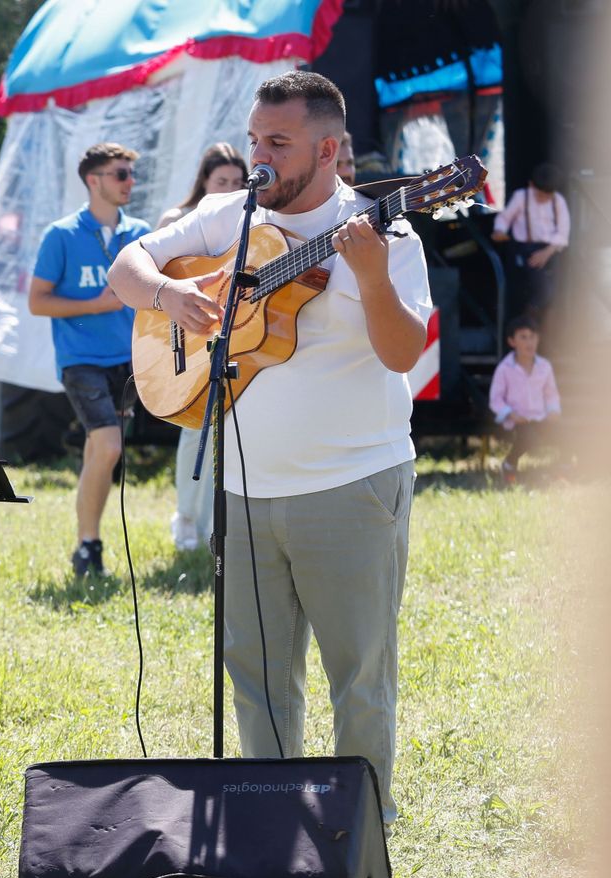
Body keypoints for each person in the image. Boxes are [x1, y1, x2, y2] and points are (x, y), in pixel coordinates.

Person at [110, 71, 432, 826]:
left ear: (328, 150)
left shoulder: (390, 232)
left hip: (353, 485)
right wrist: (170, 297)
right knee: (254, 674)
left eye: (277, 144)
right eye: (255, 138)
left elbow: (403, 351)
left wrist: (372, 276)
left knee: (359, 676)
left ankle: (360, 830)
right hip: (246, 494)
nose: (259, 157)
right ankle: (271, 823)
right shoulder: (230, 214)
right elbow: (130, 265)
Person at [28, 143, 152, 577]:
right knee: (110, 445)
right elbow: (37, 303)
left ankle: (85, 546)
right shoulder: (60, 235)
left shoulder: (140, 232)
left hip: (128, 360)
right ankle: (89, 543)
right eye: (121, 174)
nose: (129, 183)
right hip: (80, 360)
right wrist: (95, 306)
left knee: (99, 450)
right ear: (93, 180)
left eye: (131, 175)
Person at [155, 143, 248, 551]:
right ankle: (186, 517)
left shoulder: (249, 221)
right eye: (221, 180)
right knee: (195, 430)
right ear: (205, 181)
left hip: (233, 334)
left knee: (226, 430)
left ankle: (214, 522)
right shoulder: (178, 220)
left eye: (236, 181)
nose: (230, 188)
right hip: (188, 337)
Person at [492, 162, 571, 318]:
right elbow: (504, 218)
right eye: (539, 194)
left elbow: (563, 232)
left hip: (550, 250)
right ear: (531, 185)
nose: (542, 199)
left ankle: (531, 320)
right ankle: (525, 321)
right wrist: (500, 230)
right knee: (530, 291)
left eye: (547, 196)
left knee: (550, 293)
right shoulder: (521, 197)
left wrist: (547, 252)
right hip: (524, 250)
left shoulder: (558, 201)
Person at [489, 315, 561, 484]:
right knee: (528, 437)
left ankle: (561, 473)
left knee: (566, 433)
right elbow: (495, 399)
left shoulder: (545, 366)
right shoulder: (505, 368)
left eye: (532, 337)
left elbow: (551, 394)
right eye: (523, 337)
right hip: (517, 421)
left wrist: (553, 411)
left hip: (541, 418)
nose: (529, 342)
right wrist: (511, 414)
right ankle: (509, 465)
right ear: (512, 341)